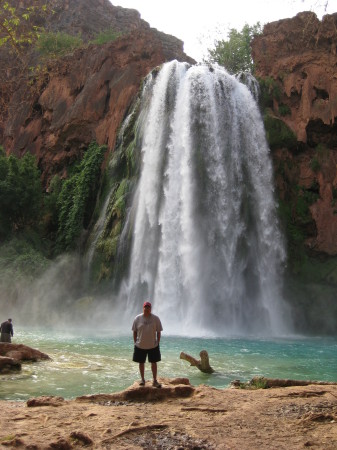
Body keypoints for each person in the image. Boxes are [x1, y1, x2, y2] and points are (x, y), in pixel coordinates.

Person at [132, 301, 163, 388]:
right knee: (141, 362)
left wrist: (158, 342)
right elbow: (134, 331)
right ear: (143, 308)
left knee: (154, 362)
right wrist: (135, 342)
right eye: (145, 307)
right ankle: (142, 379)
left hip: (153, 345)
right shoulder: (137, 318)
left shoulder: (156, 318)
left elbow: (159, 331)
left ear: (150, 309)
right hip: (140, 345)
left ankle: (155, 380)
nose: (147, 309)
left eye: (148, 307)